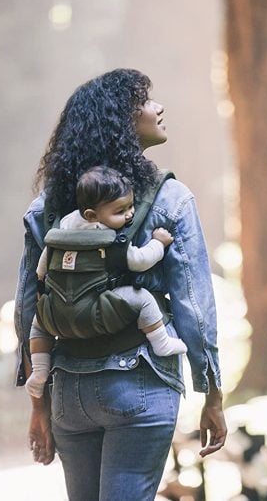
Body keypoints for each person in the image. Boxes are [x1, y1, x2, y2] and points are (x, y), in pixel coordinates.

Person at [13, 68, 226, 501]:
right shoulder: (171, 199)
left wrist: (39, 403)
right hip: (140, 385)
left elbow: (29, 305)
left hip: (70, 390)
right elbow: (194, 309)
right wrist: (213, 393)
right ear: (120, 124)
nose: (157, 107)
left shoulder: (48, 206)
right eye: (143, 102)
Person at [25, 166, 187, 399]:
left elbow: (46, 258)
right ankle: (161, 343)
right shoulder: (109, 241)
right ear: (92, 216)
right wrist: (158, 243)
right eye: (120, 211)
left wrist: (42, 283)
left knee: (39, 322)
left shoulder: (65, 226)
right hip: (96, 309)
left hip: (59, 313)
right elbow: (141, 260)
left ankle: (39, 372)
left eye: (131, 206)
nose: (130, 214)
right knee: (142, 299)